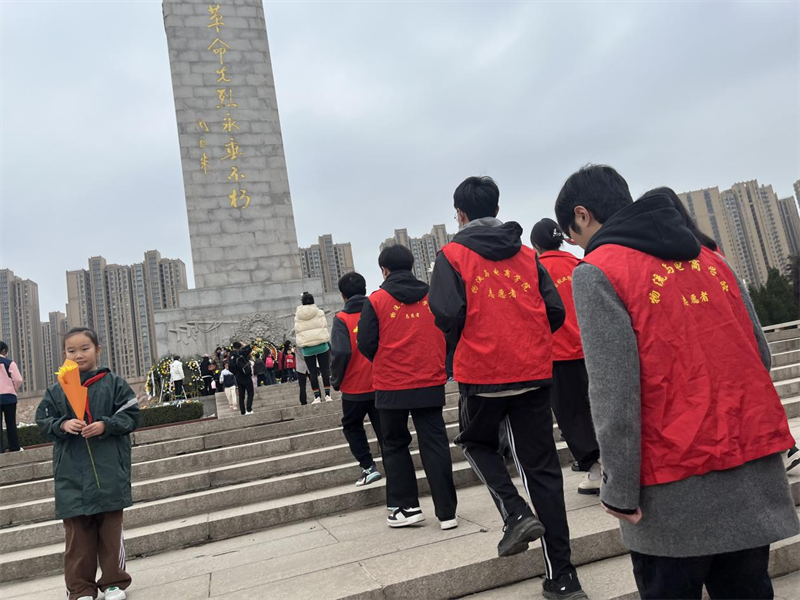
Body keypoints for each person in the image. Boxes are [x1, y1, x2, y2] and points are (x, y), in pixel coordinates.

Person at [555, 166, 799, 600]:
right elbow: (760, 355)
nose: (577, 246)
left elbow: (614, 394)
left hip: (671, 489)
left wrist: (620, 491)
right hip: (749, 472)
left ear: (582, 214)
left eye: (573, 235)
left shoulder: (598, 271)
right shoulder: (711, 257)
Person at [429, 176, 586, 600]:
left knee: (475, 443)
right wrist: (525, 339)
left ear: (460, 214)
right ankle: (563, 578)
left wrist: (473, 340)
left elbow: (446, 313)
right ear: (496, 209)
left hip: (482, 375)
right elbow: (554, 310)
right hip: (533, 372)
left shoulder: (451, 255)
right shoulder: (527, 255)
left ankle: (514, 511)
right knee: (543, 472)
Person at [358, 244, 458, 530]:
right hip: (429, 379)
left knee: (394, 445)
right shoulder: (431, 295)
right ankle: (447, 512)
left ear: (384, 270)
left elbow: (365, 342)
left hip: (391, 384)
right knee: (435, 443)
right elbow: (448, 329)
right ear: (412, 266)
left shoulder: (376, 300)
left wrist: (386, 359)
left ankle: (406, 508)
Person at [35, 327, 139, 600]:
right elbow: (42, 422)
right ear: (64, 354)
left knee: (111, 532)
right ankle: (80, 589)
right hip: (71, 474)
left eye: (85, 349)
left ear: (98, 350)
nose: (78, 355)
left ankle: (114, 582)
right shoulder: (56, 390)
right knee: (77, 537)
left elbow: (131, 414)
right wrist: (62, 424)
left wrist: (106, 424)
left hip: (109, 470)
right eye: (71, 350)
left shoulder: (114, 383)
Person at [530, 218, 601, 495]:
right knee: (599, 407)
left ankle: (595, 470)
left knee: (572, 416)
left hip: (558, 354)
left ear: (536, 245)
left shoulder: (536, 270)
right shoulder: (579, 263)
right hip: (591, 348)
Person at [331, 271, 385, 487]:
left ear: (343, 295)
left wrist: (336, 380)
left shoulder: (341, 319)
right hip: (381, 382)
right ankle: (394, 464)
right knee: (384, 428)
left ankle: (368, 467)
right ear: (364, 290)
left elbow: (340, 352)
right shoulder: (377, 311)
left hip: (354, 388)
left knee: (352, 426)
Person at [295, 294, 332, 402]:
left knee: (312, 373)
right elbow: (324, 326)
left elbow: (297, 331)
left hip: (308, 348)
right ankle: (328, 395)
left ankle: (317, 397)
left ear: (302, 302)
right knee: (325, 370)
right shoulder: (320, 312)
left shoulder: (298, 315)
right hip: (321, 345)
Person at [0, 341, 23, 453]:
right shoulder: (9, 363)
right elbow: (18, 379)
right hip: (9, 397)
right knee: (11, 423)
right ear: (4, 351)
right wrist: (14, 387)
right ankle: (14, 446)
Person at [230, 342, 254, 415]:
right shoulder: (240, 353)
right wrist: (244, 344)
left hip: (238, 377)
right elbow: (249, 348)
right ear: (240, 347)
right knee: (250, 392)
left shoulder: (231, 356)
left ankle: (242, 411)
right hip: (246, 375)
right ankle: (249, 409)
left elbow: (230, 368)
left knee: (241, 395)